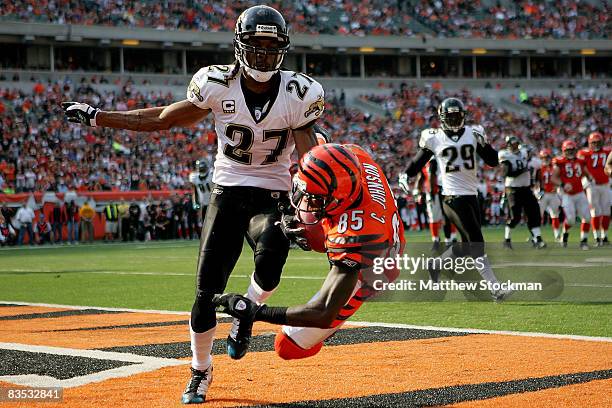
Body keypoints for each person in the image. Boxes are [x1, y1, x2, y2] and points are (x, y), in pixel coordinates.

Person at [61, 5, 323, 404]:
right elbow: (162, 119)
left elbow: (310, 160)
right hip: (227, 191)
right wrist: (100, 118)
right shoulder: (217, 84)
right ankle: (200, 370)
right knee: (204, 293)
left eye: (272, 48)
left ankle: (245, 314)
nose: (265, 56)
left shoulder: (298, 93)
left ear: (283, 50)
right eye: (257, 46)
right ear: (240, 46)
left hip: (273, 193)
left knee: (271, 265)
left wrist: (315, 203)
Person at [214, 143, 404, 360]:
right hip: (368, 223)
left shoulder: (358, 234)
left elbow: (322, 312)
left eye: (316, 198)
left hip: (373, 269)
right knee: (310, 222)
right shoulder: (350, 156)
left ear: (338, 199)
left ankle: (328, 330)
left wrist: (255, 312)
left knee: (287, 347)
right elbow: (325, 151)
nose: (306, 202)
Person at [402, 97, 510, 302]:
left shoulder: (473, 133)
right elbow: (418, 162)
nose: (453, 119)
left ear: (463, 116)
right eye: (449, 116)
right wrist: (406, 175)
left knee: (467, 246)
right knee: (477, 243)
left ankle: (435, 265)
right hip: (451, 197)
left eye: (456, 116)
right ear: (442, 118)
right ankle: (496, 288)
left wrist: (485, 144)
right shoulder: (434, 137)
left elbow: (493, 161)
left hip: (471, 195)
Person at [499, 136, 545, 249]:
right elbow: (505, 173)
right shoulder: (505, 155)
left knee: (534, 213)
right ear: (509, 145)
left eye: (516, 143)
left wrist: (540, 187)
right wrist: (523, 170)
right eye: (512, 144)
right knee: (515, 217)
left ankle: (538, 238)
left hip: (526, 188)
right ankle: (507, 239)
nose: (514, 146)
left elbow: (537, 171)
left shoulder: (525, 153)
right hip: (513, 190)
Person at [552, 140, 591, 250]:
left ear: (575, 150)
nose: (570, 152)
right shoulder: (560, 162)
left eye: (571, 149)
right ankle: (565, 233)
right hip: (567, 195)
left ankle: (584, 241)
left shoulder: (580, 161)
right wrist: (563, 184)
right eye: (567, 150)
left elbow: (585, 171)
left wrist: (589, 177)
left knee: (587, 217)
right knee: (570, 220)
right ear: (564, 151)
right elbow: (553, 178)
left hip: (580, 193)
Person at [577, 132, 610, 246]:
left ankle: (604, 236)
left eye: (598, 142)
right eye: (593, 142)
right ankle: (597, 237)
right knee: (595, 211)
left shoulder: (607, 152)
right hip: (592, 185)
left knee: (606, 211)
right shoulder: (584, 153)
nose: (596, 144)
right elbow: (579, 167)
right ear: (590, 143)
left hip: (606, 184)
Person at [535, 149, 562, 241]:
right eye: (543, 157)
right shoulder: (539, 169)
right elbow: (536, 182)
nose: (545, 159)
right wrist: (537, 192)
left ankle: (557, 235)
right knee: (538, 216)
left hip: (553, 193)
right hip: (543, 194)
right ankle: (536, 235)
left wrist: (557, 188)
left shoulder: (555, 168)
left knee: (555, 215)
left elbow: (559, 179)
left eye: (547, 157)